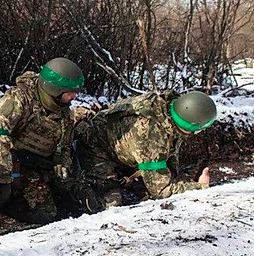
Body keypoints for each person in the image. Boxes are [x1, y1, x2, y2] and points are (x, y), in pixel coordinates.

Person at [0, 57, 85, 224]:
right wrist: (2, 170)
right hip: (0, 159)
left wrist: (62, 165)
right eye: (70, 92)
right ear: (54, 89)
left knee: (45, 214)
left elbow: (64, 146)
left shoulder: (64, 114)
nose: (74, 96)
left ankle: (10, 202)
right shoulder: (20, 98)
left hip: (31, 169)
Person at [73, 90, 216, 210]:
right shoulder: (150, 135)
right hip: (96, 150)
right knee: (112, 204)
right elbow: (161, 191)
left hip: (124, 151)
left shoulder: (166, 110)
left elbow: (170, 153)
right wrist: (199, 187)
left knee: (146, 190)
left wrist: (172, 174)